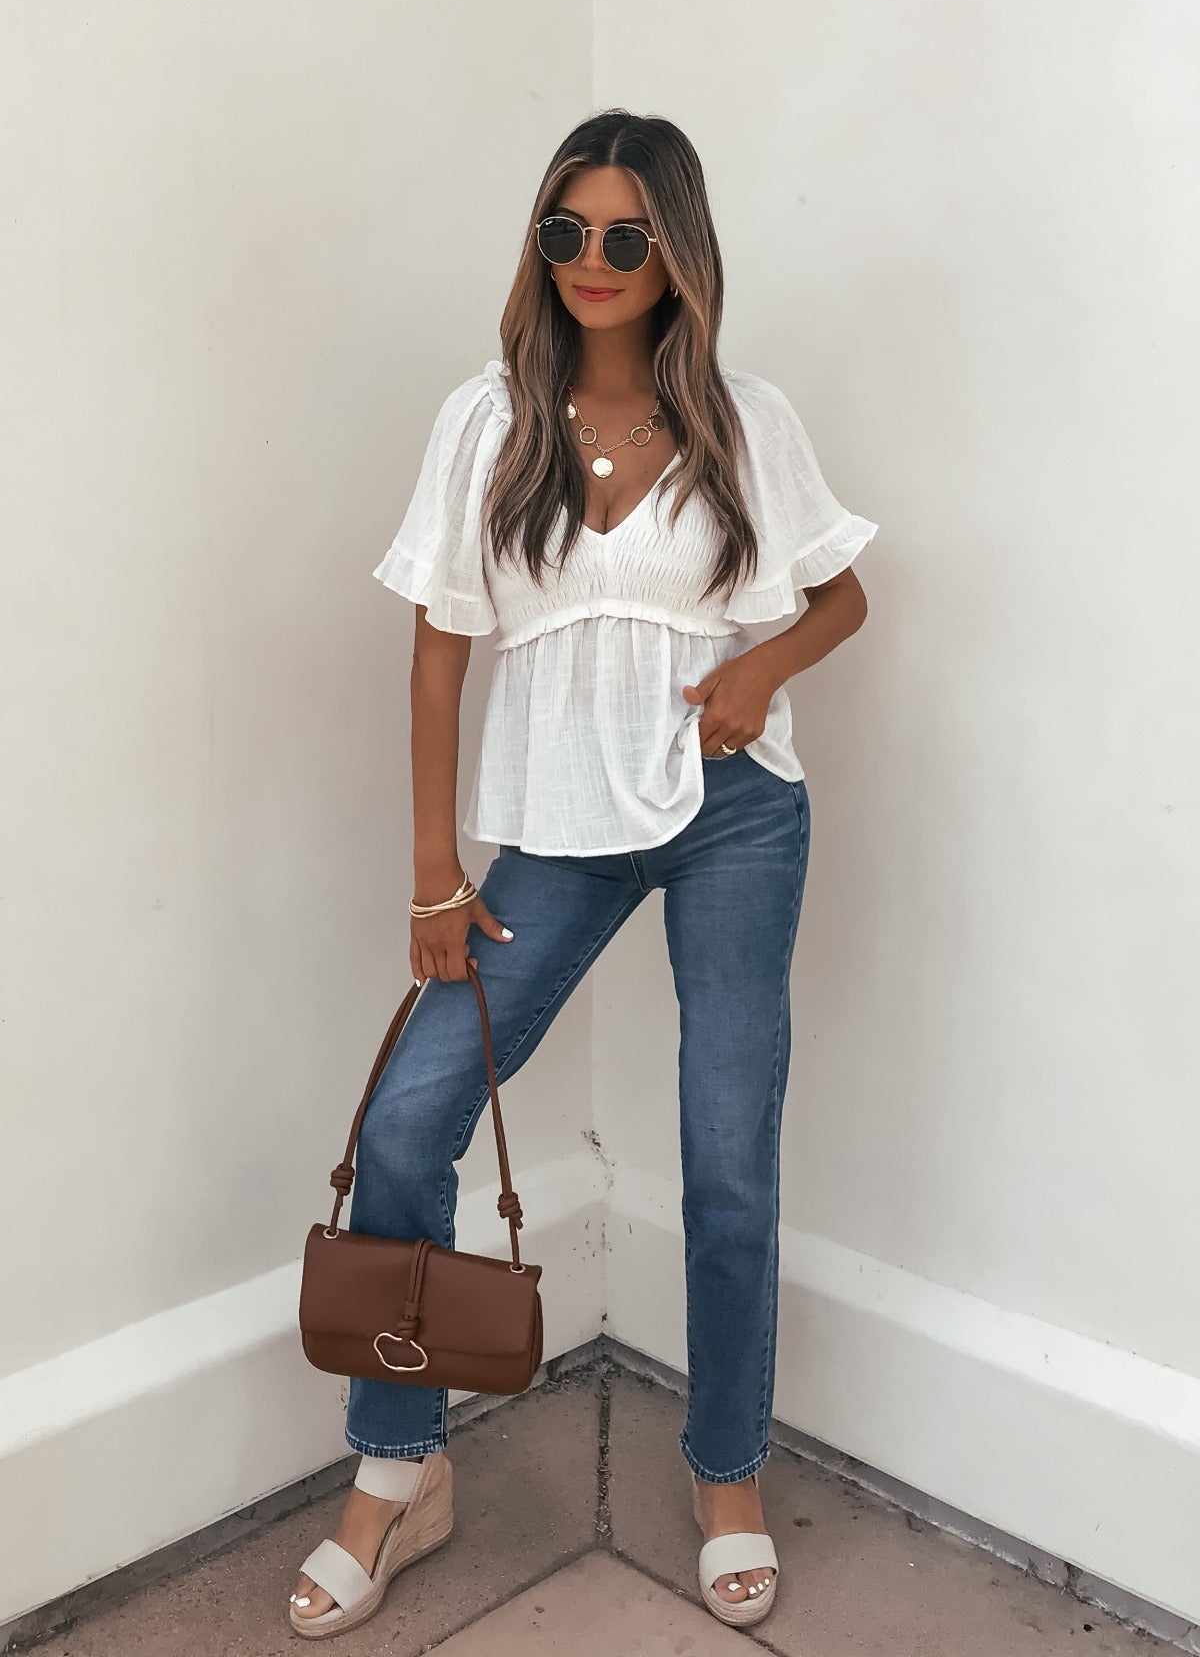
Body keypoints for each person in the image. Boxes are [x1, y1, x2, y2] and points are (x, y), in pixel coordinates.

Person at [289, 108, 878, 1637]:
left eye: (627, 235)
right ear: (539, 247)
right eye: (567, 232)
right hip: (553, 827)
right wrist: (434, 872)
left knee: (727, 1160)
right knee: (413, 1116)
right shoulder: (486, 420)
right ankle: (401, 1471)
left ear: (677, 246)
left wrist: (761, 674)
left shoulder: (747, 417)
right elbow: (433, 663)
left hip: (735, 811)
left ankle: (727, 1472)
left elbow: (845, 596)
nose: (594, 263)